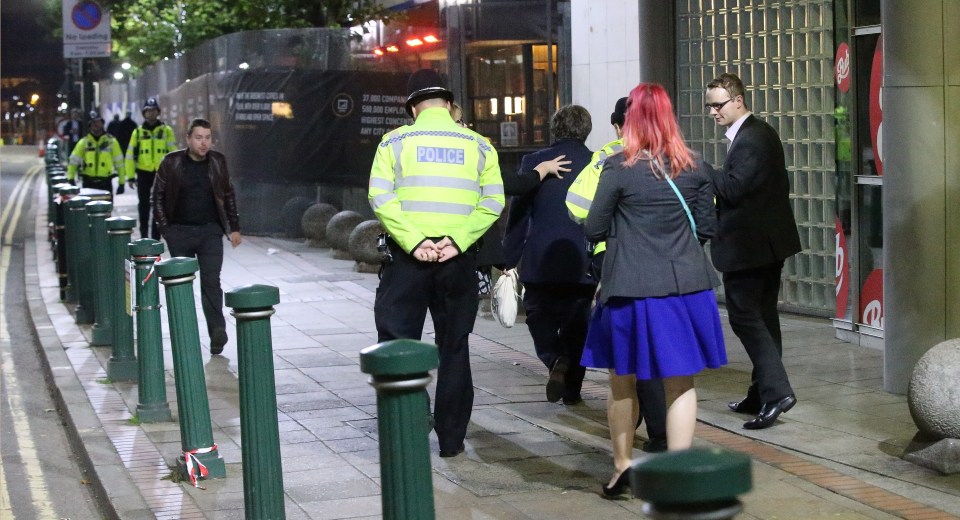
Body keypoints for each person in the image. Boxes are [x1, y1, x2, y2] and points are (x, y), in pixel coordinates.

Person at [581, 83, 726, 497]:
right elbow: (707, 227)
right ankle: (679, 471)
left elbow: (593, 227)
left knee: (622, 383)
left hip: (629, 288)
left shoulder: (618, 168)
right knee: (680, 383)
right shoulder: (696, 166)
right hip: (685, 288)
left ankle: (623, 466)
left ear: (630, 121)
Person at [368, 69, 504, 458]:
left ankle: (408, 427)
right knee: (454, 348)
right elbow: (492, 202)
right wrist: (455, 241)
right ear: (448, 103)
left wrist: (414, 242)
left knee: (397, 344)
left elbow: (381, 197)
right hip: (457, 262)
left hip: (406, 262)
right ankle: (451, 440)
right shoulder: (480, 146)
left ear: (413, 106)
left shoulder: (393, 143)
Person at [566, 97, 668, 452]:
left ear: (616, 126)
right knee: (658, 347)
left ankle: (641, 430)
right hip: (666, 263)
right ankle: (660, 428)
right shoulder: (675, 155)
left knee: (627, 355)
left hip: (615, 259)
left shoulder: (608, 157)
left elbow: (577, 207)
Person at [705, 72, 801, 430]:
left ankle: (777, 392)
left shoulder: (752, 139)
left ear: (738, 100)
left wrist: (698, 167)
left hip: (752, 247)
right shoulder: (752, 135)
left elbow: (732, 188)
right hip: (762, 244)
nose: (713, 112)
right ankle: (762, 391)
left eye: (718, 104)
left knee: (746, 318)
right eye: (710, 105)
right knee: (763, 317)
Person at [502, 105, 592, 405]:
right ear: (586, 130)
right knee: (577, 324)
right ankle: (572, 391)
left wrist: (508, 257)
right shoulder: (597, 164)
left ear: (555, 129)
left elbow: (519, 212)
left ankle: (553, 358)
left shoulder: (534, 161)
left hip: (541, 258)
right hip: (583, 259)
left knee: (537, 313)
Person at [152, 118, 241, 356]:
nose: (204, 143)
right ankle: (185, 335)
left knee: (211, 282)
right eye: (199, 138)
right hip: (179, 232)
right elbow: (157, 197)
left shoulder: (218, 162)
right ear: (188, 139)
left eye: (208, 138)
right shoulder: (171, 162)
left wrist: (234, 227)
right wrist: (166, 230)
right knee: (182, 285)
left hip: (210, 232)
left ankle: (217, 332)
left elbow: (228, 194)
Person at [127, 98, 177, 239]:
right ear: (144, 113)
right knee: (143, 205)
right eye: (148, 111)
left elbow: (173, 153)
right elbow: (130, 156)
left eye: (154, 110)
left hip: (161, 173)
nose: (151, 113)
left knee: (159, 205)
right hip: (143, 172)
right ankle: (143, 234)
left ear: (158, 112)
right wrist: (130, 176)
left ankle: (156, 236)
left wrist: (174, 173)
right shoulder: (137, 132)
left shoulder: (166, 131)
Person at [66, 110, 125, 197]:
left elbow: (119, 163)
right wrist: (71, 178)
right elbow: (73, 161)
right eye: (93, 123)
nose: (96, 125)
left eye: (98, 122)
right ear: (89, 126)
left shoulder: (111, 142)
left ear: (102, 123)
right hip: (88, 183)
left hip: (106, 183)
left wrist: (122, 182)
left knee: (105, 210)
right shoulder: (83, 143)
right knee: (89, 210)